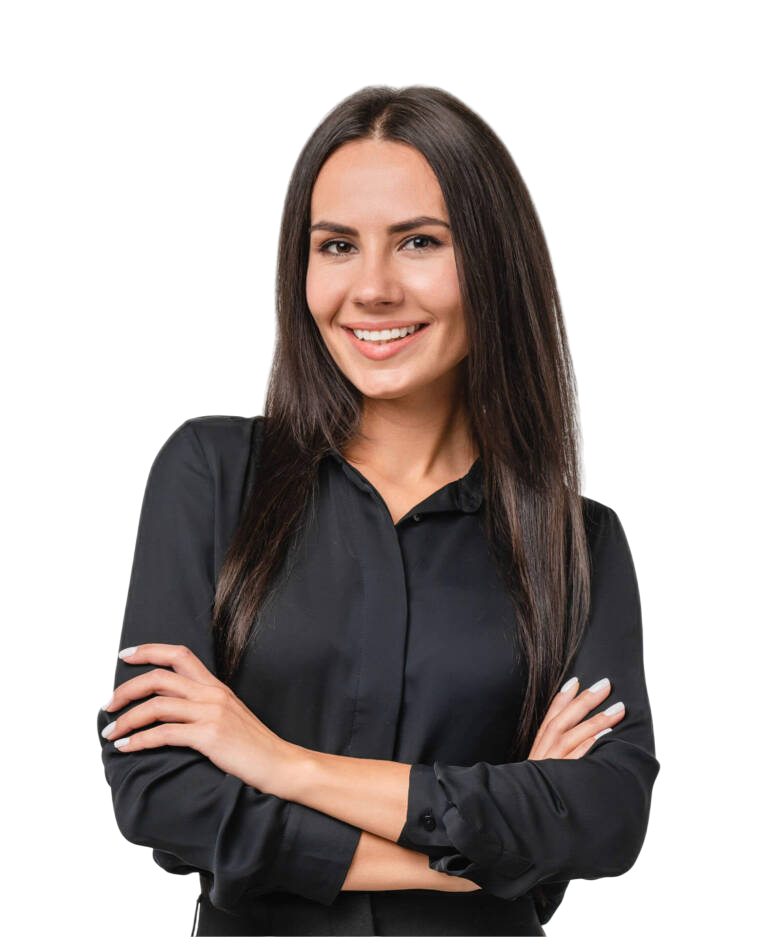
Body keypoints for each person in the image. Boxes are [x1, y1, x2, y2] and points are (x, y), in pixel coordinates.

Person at [96, 84, 659, 937]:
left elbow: (605, 813)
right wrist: (471, 860)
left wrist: (277, 761)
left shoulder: (578, 542)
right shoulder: (211, 474)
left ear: (494, 262)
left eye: (419, 241)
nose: (372, 288)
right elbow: (158, 788)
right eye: (337, 245)